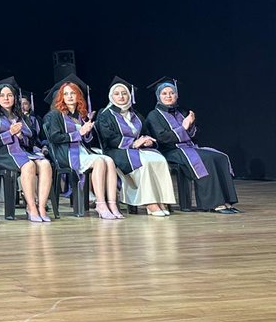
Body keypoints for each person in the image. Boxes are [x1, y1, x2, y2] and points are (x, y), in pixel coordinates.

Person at [144, 78, 240, 214]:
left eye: (172, 93)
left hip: (189, 147)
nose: (168, 96)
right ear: (158, 96)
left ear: (177, 95)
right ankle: (214, 203)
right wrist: (184, 126)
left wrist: (191, 125)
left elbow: (195, 135)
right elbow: (163, 139)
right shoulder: (153, 116)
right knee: (206, 159)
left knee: (220, 157)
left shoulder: (182, 112)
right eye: (164, 93)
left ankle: (227, 201)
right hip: (171, 150)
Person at [44, 75, 121, 220]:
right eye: (66, 94)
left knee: (109, 161)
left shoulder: (81, 115)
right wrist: (79, 132)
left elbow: (87, 141)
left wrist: (88, 130)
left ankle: (112, 204)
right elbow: (55, 138)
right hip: (65, 154)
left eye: (72, 93)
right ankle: (100, 203)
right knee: (99, 162)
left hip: (82, 151)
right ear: (61, 97)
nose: (69, 96)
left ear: (78, 95)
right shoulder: (56, 115)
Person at [97, 78, 176, 216]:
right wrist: (133, 143)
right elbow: (108, 138)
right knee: (144, 162)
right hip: (116, 151)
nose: (121, 96)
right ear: (111, 96)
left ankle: (161, 200)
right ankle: (150, 203)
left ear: (129, 96)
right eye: (117, 94)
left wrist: (148, 141)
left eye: (124, 93)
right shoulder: (105, 114)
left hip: (138, 149)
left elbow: (146, 133)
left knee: (159, 159)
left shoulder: (136, 115)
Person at [0, 77, 53, 222]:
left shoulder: (21, 117)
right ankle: (31, 207)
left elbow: (32, 140)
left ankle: (42, 207)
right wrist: (10, 134)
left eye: (9, 95)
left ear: (15, 97)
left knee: (45, 164)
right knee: (29, 165)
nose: (6, 98)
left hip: (22, 152)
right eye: (2, 95)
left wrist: (21, 136)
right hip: (2, 154)